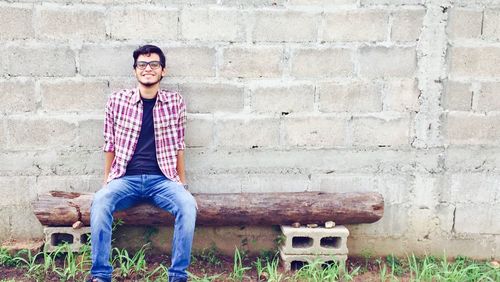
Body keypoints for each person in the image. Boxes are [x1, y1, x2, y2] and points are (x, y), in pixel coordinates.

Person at [88, 44, 197, 282]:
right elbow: (110, 144)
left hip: (162, 180)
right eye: (142, 65)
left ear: (163, 71)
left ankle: (178, 276)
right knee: (100, 202)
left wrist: (182, 184)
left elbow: (180, 145)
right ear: (135, 70)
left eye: (154, 64)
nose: (148, 69)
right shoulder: (117, 101)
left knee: (188, 206)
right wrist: (107, 180)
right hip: (125, 178)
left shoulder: (175, 102)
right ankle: (100, 275)